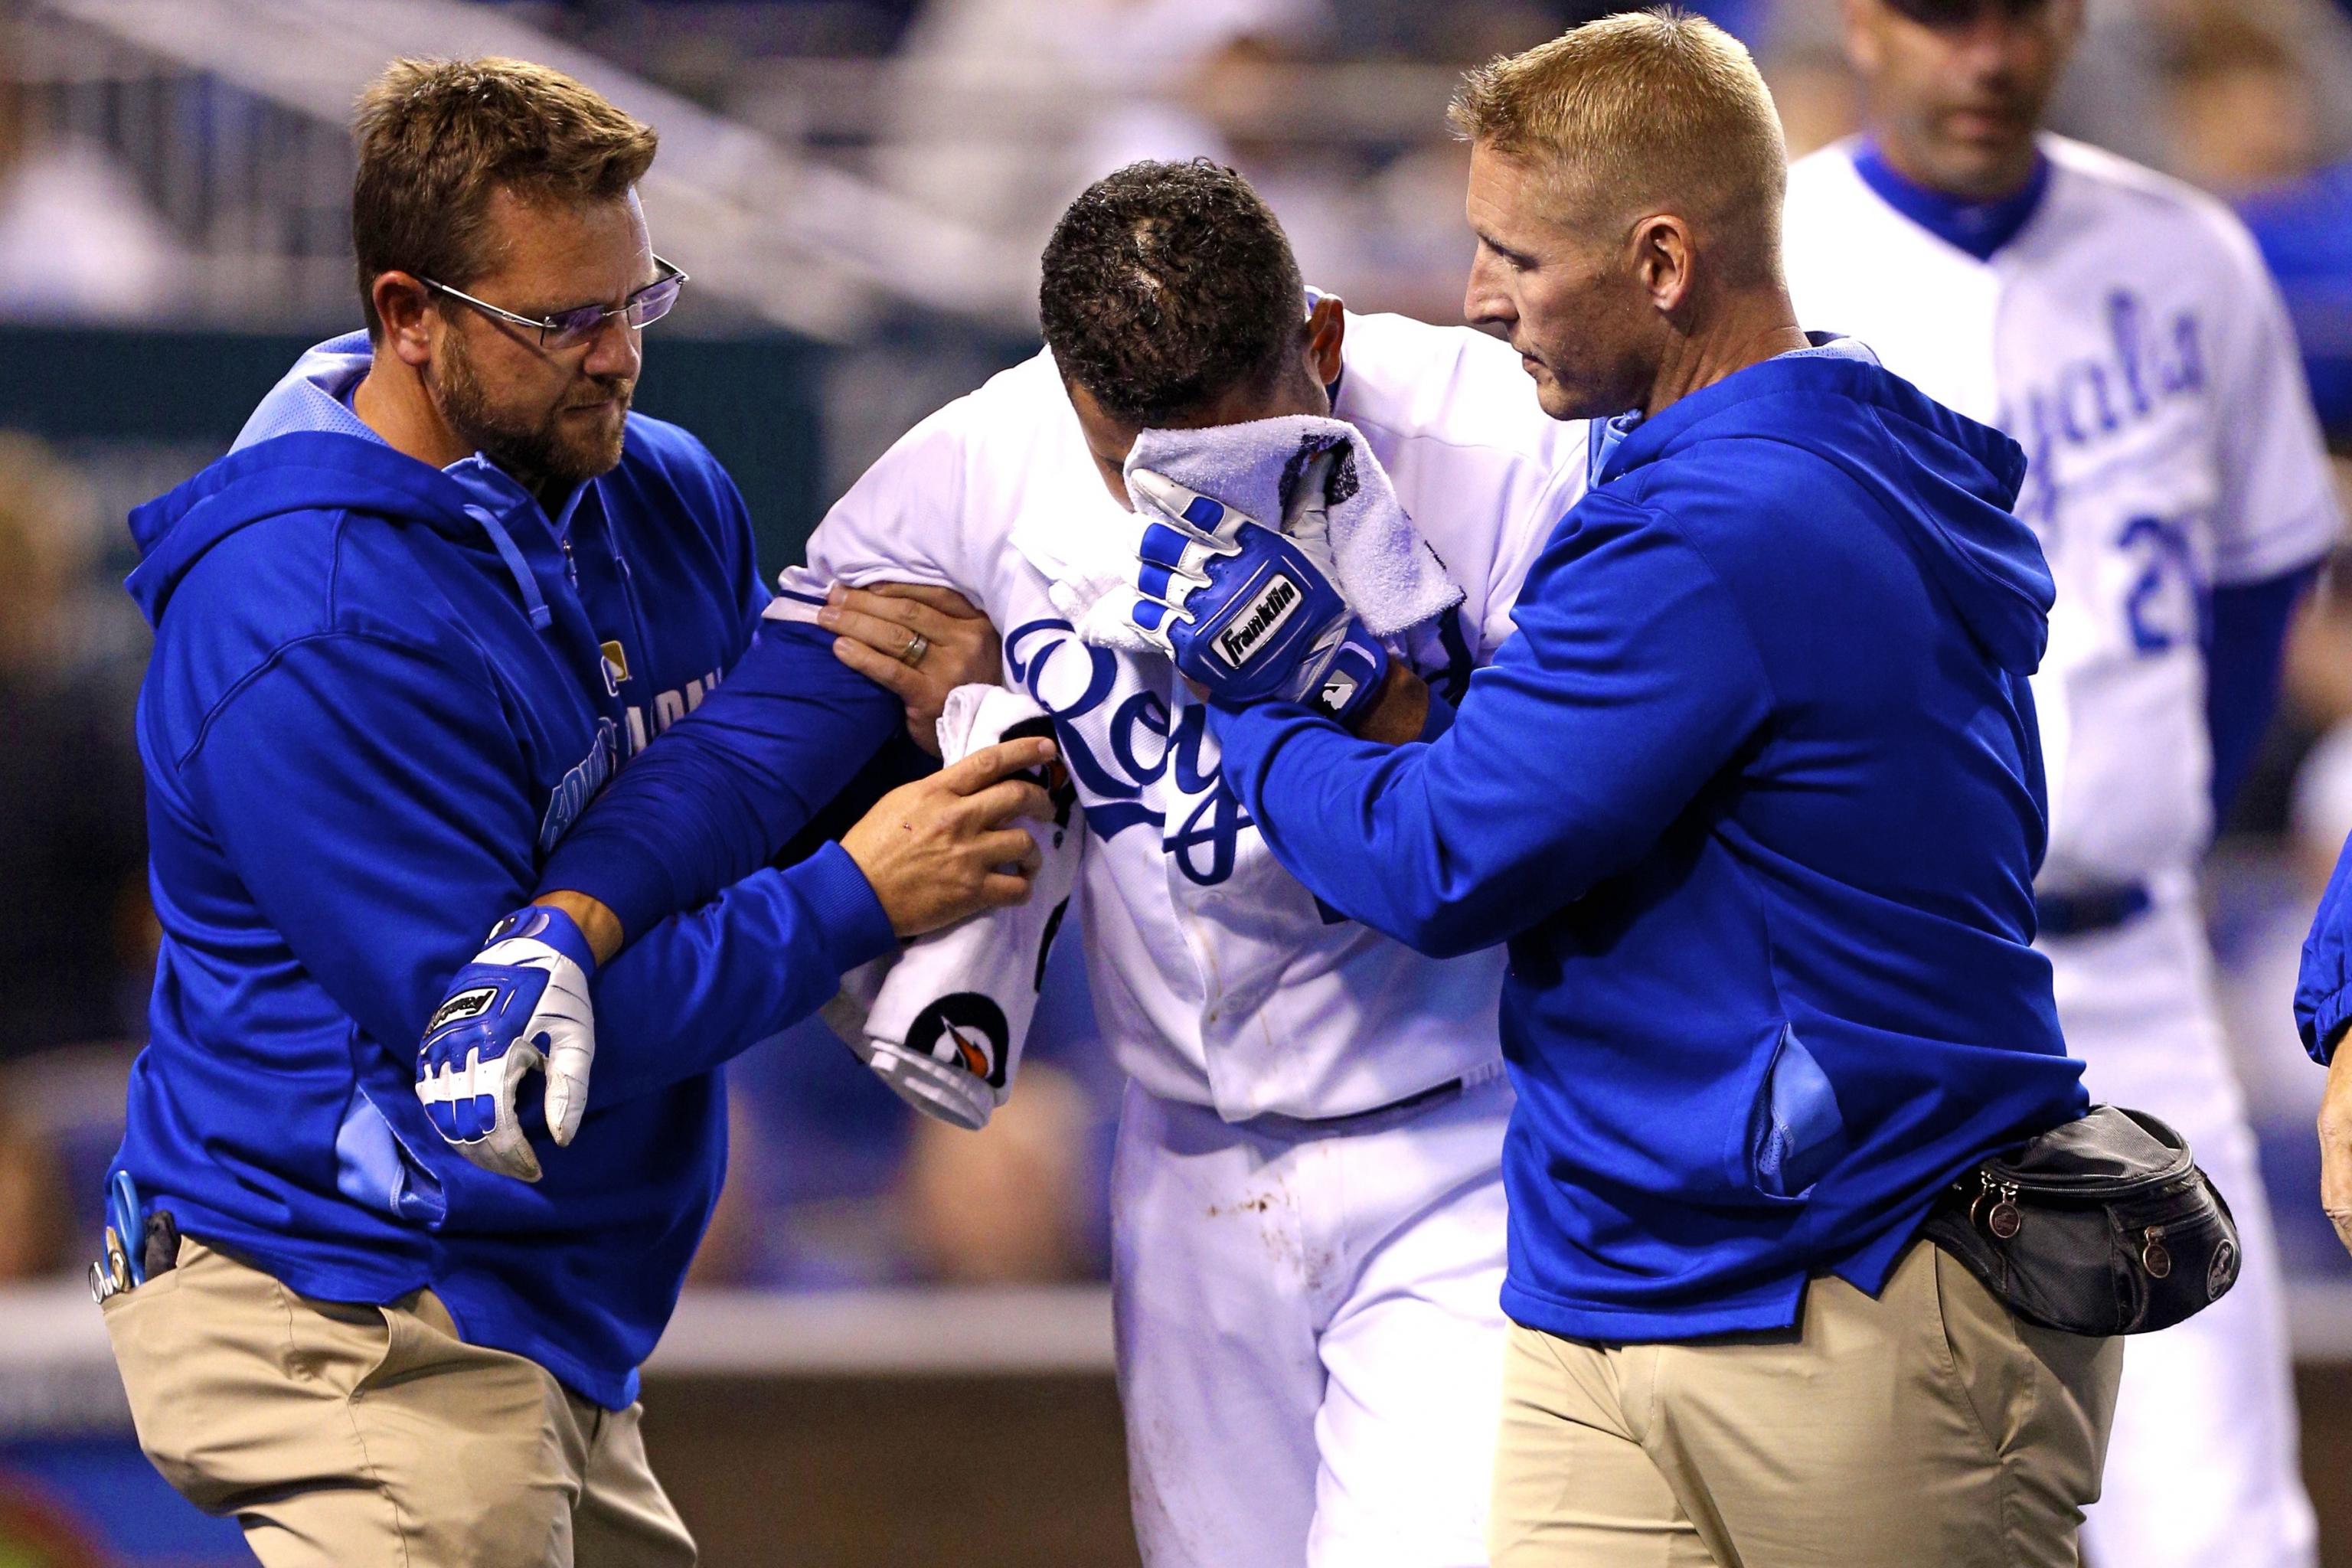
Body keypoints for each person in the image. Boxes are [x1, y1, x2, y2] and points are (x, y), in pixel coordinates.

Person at [426, 157, 1591, 1567]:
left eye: (1224, 454)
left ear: (1323, 346)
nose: (1181, 508)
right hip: (1190, 1167)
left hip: (1461, 1140)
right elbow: (752, 750)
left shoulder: (1501, 446)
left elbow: (1574, 801)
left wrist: (1369, 692)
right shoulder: (983, 462)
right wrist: (566, 923)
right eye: (1134, 468)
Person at [1158, 14, 2118, 1566]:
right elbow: (1553, 779)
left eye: (1515, 258)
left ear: (1663, 262)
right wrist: (1396, 702)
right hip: (1623, 1278)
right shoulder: (1772, 448)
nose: (1477, 298)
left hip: (1853, 1285)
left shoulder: (1725, 518)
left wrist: (1259, 699)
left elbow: (1442, 859)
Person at [103, 56, 1046, 1568]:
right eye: (563, 321)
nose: (619, 358)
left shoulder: (657, 485)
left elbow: (738, 797)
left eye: (638, 301)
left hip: (542, 1310)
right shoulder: (309, 621)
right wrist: (863, 897)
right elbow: (508, 1043)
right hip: (350, 1292)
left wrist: (923, 721)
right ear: (409, 315)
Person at [1777, 5, 2342, 1565]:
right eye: (1939, 12)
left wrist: (2153, 810)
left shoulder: (2188, 256)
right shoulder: (1778, 255)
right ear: (1862, 19)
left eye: (2017, 10)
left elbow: (2259, 579)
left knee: (2216, 1523)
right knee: (1871, 1515)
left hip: (2132, 964)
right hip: (1865, 991)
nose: (1985, 53)